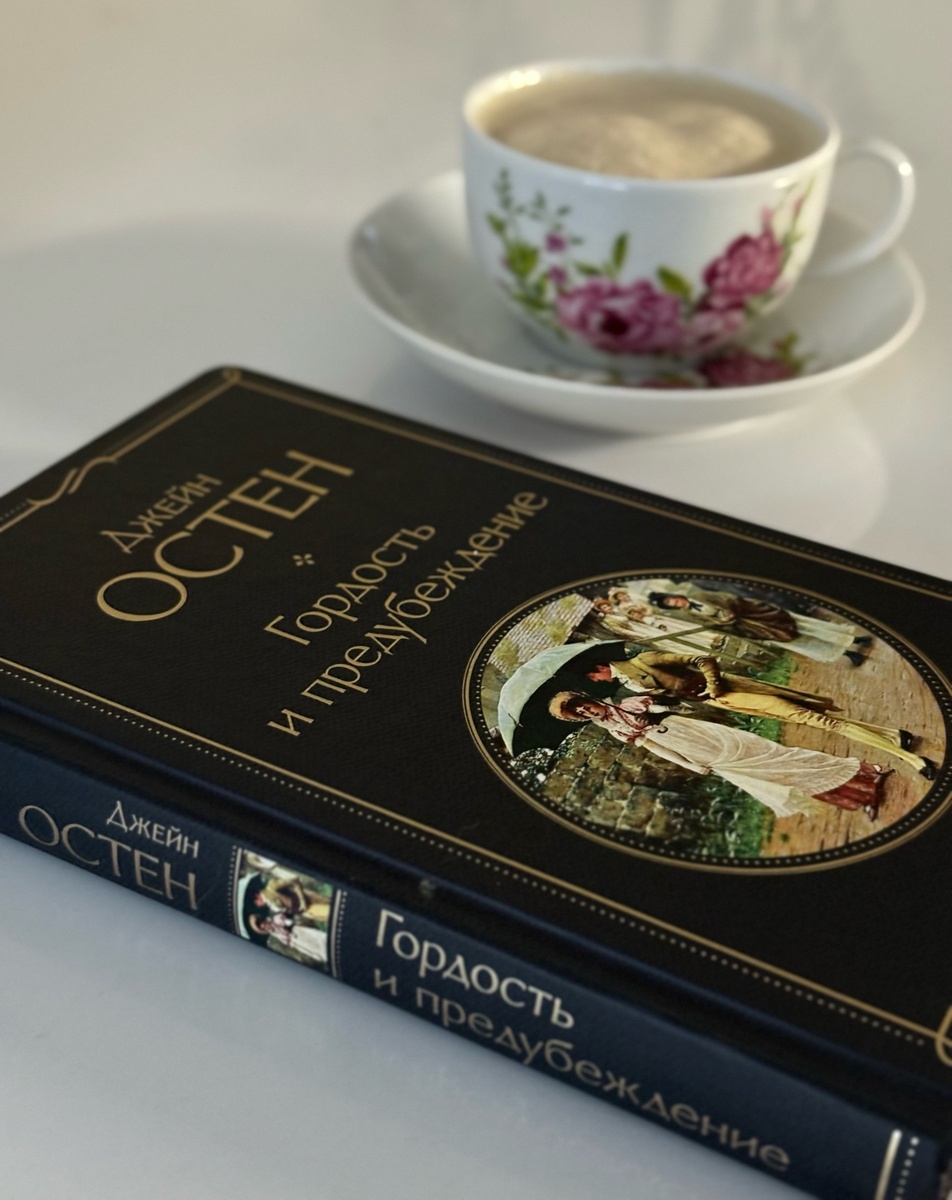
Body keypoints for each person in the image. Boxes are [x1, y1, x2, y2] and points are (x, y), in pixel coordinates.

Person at [549, 690, 890, 820]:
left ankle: (866, 769)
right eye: (579, 714)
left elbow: (675, 707)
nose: (586, 712)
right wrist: (689, 765)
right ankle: (859, 796)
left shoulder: (629, 703)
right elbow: (651, 746)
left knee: (779, 757)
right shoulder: (612, 729)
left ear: (589, 698)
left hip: (695, 732)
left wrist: (658, 707)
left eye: (583, 705)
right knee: (767, 779)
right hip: (688, 749)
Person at [584, 651, 935, 776]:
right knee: (799, 717)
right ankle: (893, 735)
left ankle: (909, 758)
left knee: (815, 719)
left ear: (598, 668)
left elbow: (703, 659)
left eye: (593, 677)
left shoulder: (644, 660)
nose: (596, 682)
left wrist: (713, 686)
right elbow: (673, 695)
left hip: (732, 690)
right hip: (723, 702)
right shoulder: (628, 686)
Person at [645, 586, 869, 666]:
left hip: (755, 612)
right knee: (800, 641)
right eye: (672, 605)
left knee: (808, 627)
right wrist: (727, 622)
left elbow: (729, 597)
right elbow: (719, 629)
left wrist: (731, 610)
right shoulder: (692, 616)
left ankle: (853, 640)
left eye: (674, 599)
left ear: (677, 595)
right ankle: (848, 654)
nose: (676, 603)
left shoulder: (700, 595)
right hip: (751, 626)